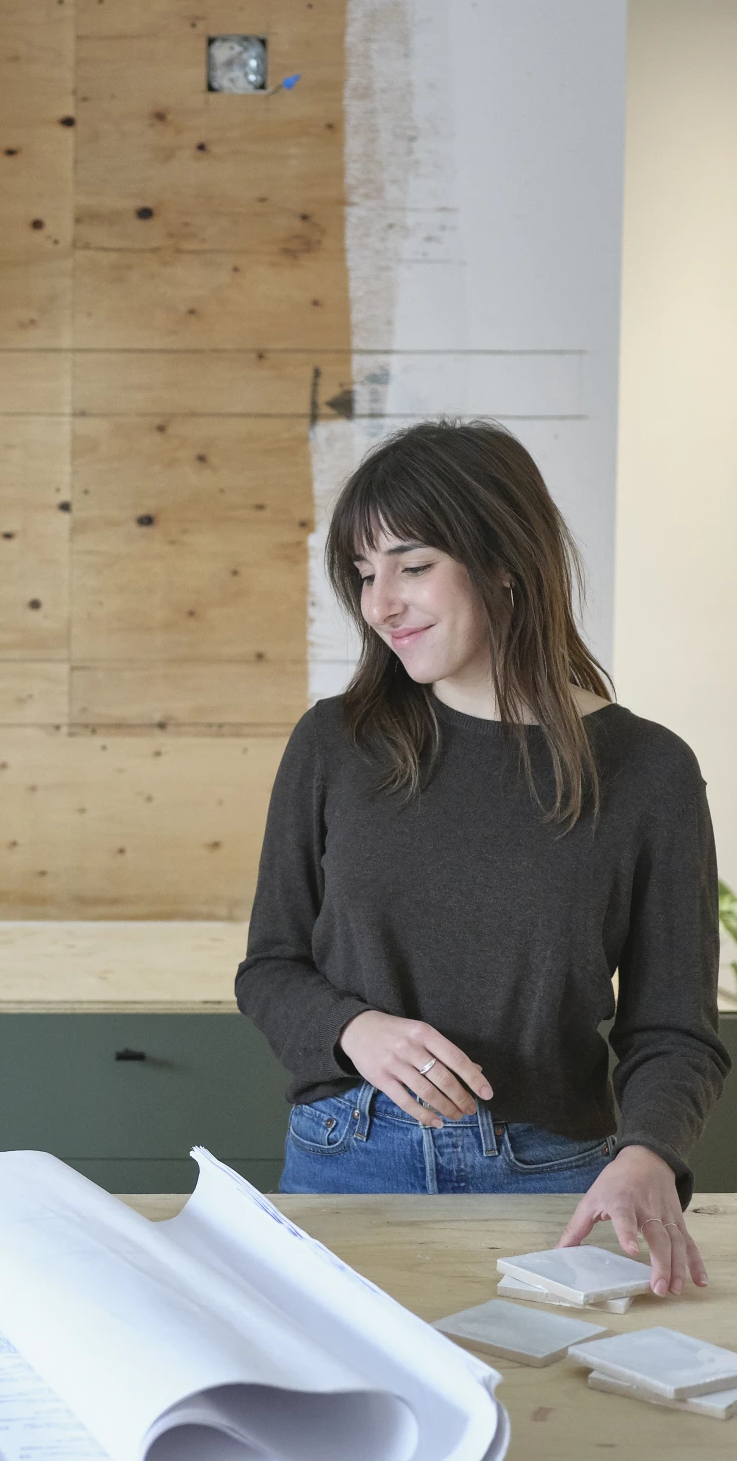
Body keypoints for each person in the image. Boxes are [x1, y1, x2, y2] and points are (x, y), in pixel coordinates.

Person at [235, 419, 727, 1295]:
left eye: (413, 565)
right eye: (365, 574)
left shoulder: (648, 771)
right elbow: (270, 968)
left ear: (503, 560)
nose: (380, 602)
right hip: (346, 1164)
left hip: (556, 1184)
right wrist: (355, 1029)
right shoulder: (335, 743)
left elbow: (674, 1029)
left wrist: (649, 1152)